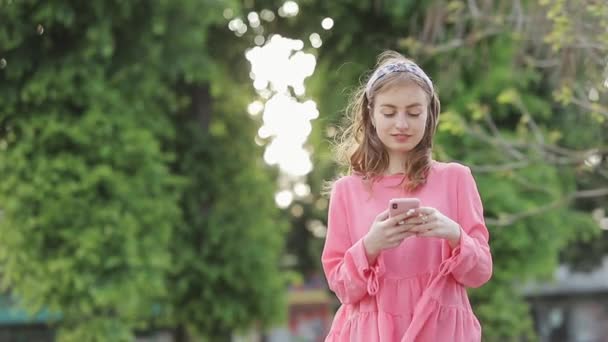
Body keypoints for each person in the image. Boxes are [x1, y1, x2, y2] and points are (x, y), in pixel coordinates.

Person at [321, 51, 493, 342]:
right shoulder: (346, 191)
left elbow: (479, 273)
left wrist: (454, 235)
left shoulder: (456, 179)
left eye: (414, 113)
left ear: (429, 115)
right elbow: (342, 287)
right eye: (389, 112)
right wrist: (370, 246)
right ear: (371, 116)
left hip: (442, 331)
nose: (402, 123)